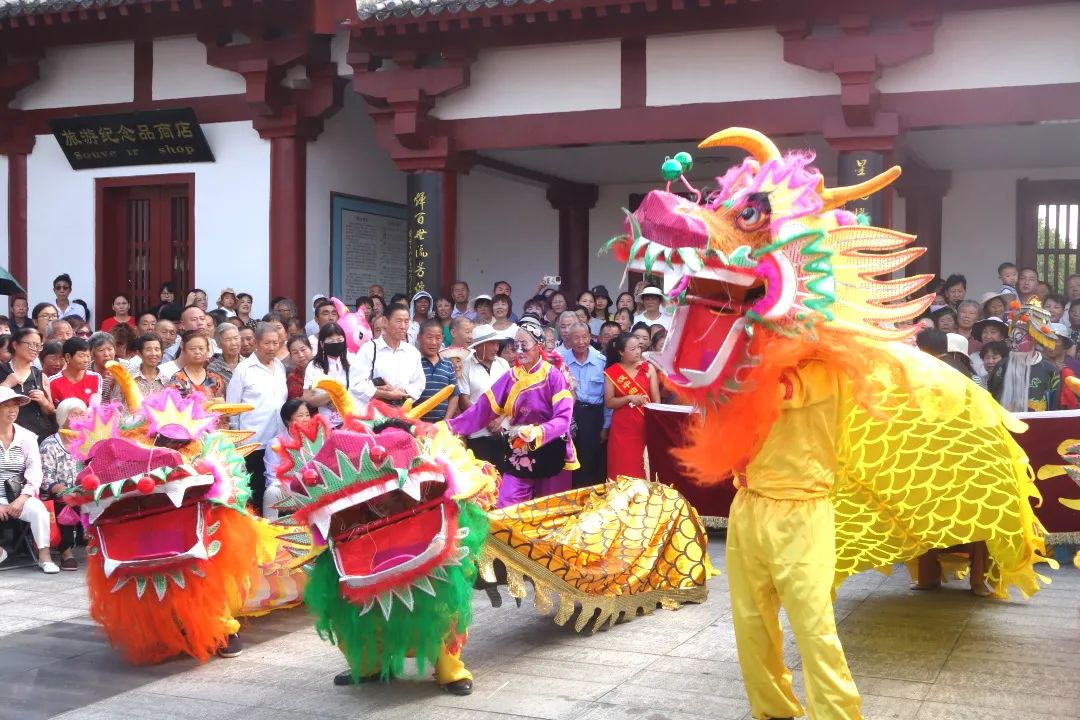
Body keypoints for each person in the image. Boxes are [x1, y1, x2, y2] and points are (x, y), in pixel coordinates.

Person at [447, 316, 578, 507]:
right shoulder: (511, 376)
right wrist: (449, 427)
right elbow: (483, 410)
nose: (519, 350)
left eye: (524, 344)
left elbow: (563, 419)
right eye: (516, 345)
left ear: (538, 345)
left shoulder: (554, 376)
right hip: (520, 447)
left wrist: (537, 431)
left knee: (549, 509)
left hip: (551, 446)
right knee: (506, 504)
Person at [227, 322, 287, 516]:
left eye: (275, 343)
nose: (272, 348)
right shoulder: (244, 369)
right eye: (267, 343)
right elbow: (232, 408)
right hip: (253, 444)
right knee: (256, 492)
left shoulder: (279, 366)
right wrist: (236, 443)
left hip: (278, 442)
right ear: (256, 343)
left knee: (276, 493)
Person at [0, 388, 59, 572]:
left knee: (39, 510)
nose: (13, 410)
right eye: (6, 405)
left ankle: (44, 556)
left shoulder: (26, 436)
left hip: (19, 495)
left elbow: (35, 471)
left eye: (15, 405)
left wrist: (22, 498)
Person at [38, 397, 87, 570]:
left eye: (83, 415)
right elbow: (45, 478)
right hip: (57, 492)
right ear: (63, 417)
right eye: (75, 415)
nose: (81, 419)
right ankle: (66, 552)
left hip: (83, 490)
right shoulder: (50, 444)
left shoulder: (86, 443)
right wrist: (64, 490)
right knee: (64, 501)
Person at [604, 331, 660, 480]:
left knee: (640, 467)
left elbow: (656, 402)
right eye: (633, 349)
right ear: (621, 352)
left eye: (639, 348)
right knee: (620, 467)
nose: (638, 352)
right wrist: (628, 398)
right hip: (621, 427)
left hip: (643, 425)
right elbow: (609, 402)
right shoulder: (612, 372)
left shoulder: (649, 369)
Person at [558, 322, 607, 488]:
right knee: (569, 456)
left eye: (584, 337)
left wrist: (605, 425)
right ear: (569, 340)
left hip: (594, 416)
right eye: (576, 338)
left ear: (591, 338)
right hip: (570, 414)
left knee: (591, 458)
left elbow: (607, 397)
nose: (581, 341)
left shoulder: (601, 361)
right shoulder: (561, 361)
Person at [350, 304, 425, 406]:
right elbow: (356, 384)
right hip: (372, 415)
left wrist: (401, 392)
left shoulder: (412, 352)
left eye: (406, 322)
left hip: (401, 412)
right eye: (399, 321)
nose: (403, 326)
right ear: (385, 321)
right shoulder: (368, 349)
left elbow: (419, 384)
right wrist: (386, 394)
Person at [457, 324, 511, 464]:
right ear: (480, 346)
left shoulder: (503, 364)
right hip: (477, 433)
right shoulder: (466, 365)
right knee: (482, 476)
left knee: (501, 476)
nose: (496, 348)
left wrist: (499, 420)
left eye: (497, 343)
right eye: (492, 343)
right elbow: (464, 399)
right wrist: (487, 420)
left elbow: (510, 396)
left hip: (502, 430)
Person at [0, 328, 56, 440]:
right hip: (6, 437)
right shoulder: (2, 371)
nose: (35, 349)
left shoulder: (40, 375)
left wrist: (44, 402)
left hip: (38, 436)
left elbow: (51, 411)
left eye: (38, 346)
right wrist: (6, 385)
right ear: (15, 345)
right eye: (31, 344)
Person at [262, 398, 312, 520]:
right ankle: (270, 531)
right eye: (300, 415)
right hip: (288, 490)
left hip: (314, 488)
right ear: (288, 420)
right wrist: (286, 488)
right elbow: (272, 476)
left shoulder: (317, 439)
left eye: (307, 415)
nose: (306, 419)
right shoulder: (275, 443)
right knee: (271, 493)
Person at [303, 324, 350, 427]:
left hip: (353, 420)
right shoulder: (314, 366)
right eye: (331, 341)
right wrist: (331, 395)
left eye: (339, 340)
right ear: (322, 344)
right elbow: (307, 399)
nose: (336, 344)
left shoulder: (352, 360)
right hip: (328, 425)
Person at [414, 320, 460, 422]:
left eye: (438, 338)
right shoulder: (413, 363)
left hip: (441, 427)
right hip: (416, 425)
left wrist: (446, 420)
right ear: (419, 337)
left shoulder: (448, 364)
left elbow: (454, 395)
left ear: (443, 339)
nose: (434, 342)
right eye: (429, 337)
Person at [167, 331, 226, 403]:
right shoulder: (177, 378)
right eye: (192, 349)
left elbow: (221, 406)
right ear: (184, 350)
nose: (197, 352)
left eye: (201, 348)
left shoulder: (215, 378)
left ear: (207, 351)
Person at [110, 334, 166, 406]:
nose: (153, 353)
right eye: (148, 349)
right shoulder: (126, 378)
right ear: (139, 353)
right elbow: (115, 405)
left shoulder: (166, 382)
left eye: (157, 349)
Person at [286, 335, 313, 400]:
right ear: (290, 356)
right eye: (295, 353)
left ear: (311, 349)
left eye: (303, 350)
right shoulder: (292, 379)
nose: (300, 355)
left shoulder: (324, 368)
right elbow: (295, 404)